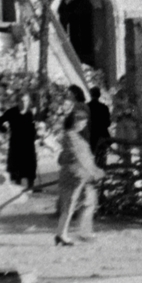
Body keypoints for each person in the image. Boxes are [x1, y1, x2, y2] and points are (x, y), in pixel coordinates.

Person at [55, 85, 103, 246]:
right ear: (76, 122)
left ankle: (76, 232)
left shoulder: (76, 137)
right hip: (74, 176)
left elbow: (83, 157)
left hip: (80, 176)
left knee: (87, 201)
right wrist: (93, 171)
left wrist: (93, 170)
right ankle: (64, 234)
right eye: (82, 122)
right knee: (70, 206)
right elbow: (75, 157)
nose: (84, 125)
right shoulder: (71, 136)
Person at [0, 92, 39, 190]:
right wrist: (4, 130)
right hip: (16, 143)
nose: (24, 103)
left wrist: (35, 133)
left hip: (28, 144)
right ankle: (17, 188)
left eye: (26, 101)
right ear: (18, 101)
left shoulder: (30, 113)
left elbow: (32, 127)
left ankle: (30, 188)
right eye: (22, 101)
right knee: (16, 169)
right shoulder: (11, 112)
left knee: (30, 167)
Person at [86, 86, 113, 168]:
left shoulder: (87, 107)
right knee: (102, 156)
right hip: (102, 135)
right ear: (99, 95)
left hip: (91, 136)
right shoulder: (104, 107)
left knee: (90, 157)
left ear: (91, 95)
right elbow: (108, 123)